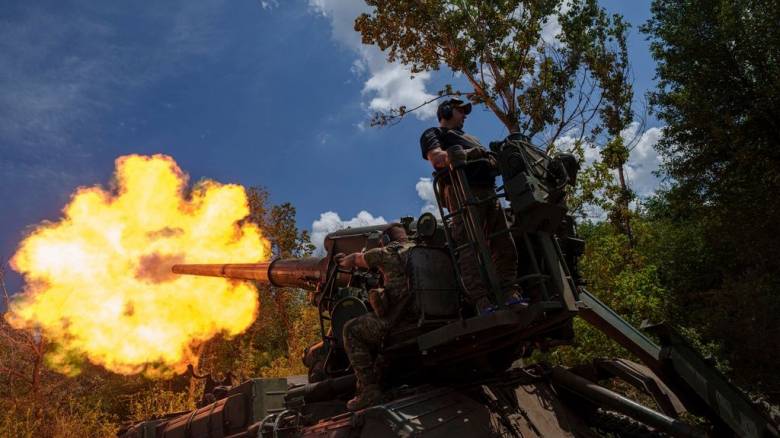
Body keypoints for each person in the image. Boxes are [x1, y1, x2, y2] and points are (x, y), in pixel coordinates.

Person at [419, 98, 518, 313]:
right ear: (445, 111)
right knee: (470, 246)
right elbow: (437, 159)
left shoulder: (470, 138)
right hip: (461, 191)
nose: (464, 115)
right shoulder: (434, 133)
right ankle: (482, 301)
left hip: (489, 193)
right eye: (460, 111)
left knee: (504, 243)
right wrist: (461, 155)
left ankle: (509, 293)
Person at [336, 224, 414, 411]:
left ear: (387, 240)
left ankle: (369, 392)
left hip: (399, 321)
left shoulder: (387, 252)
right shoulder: (419, 249)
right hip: (421, 316)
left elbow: (355, 259)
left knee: (351, 329)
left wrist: (341, 262)